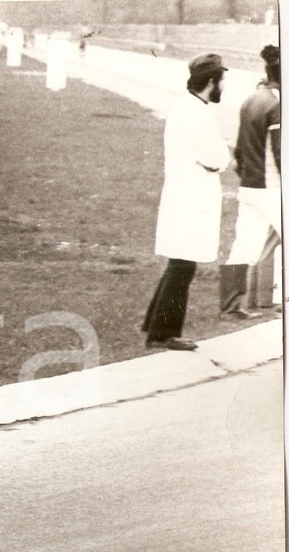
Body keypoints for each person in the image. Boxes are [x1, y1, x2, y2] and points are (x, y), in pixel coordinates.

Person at [142, 53, 231, 351]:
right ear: (210, 81)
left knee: (180, 264)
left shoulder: (191, 108)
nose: (223, 87)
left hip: (187, 197)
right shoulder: (194, 114)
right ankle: (162, 333)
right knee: (182, 266)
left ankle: (155, 326)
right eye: (221, 81)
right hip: (189, 200)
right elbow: (215, 158)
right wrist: (222, 154)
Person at [220, 44, 281, 318]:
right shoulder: (277, 104)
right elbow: (281, 153)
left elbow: (239, 150)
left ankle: (230, 306)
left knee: (243, 245)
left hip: (249, 185)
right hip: (272, 187)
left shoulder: (251, 100)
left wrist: (246, 176)